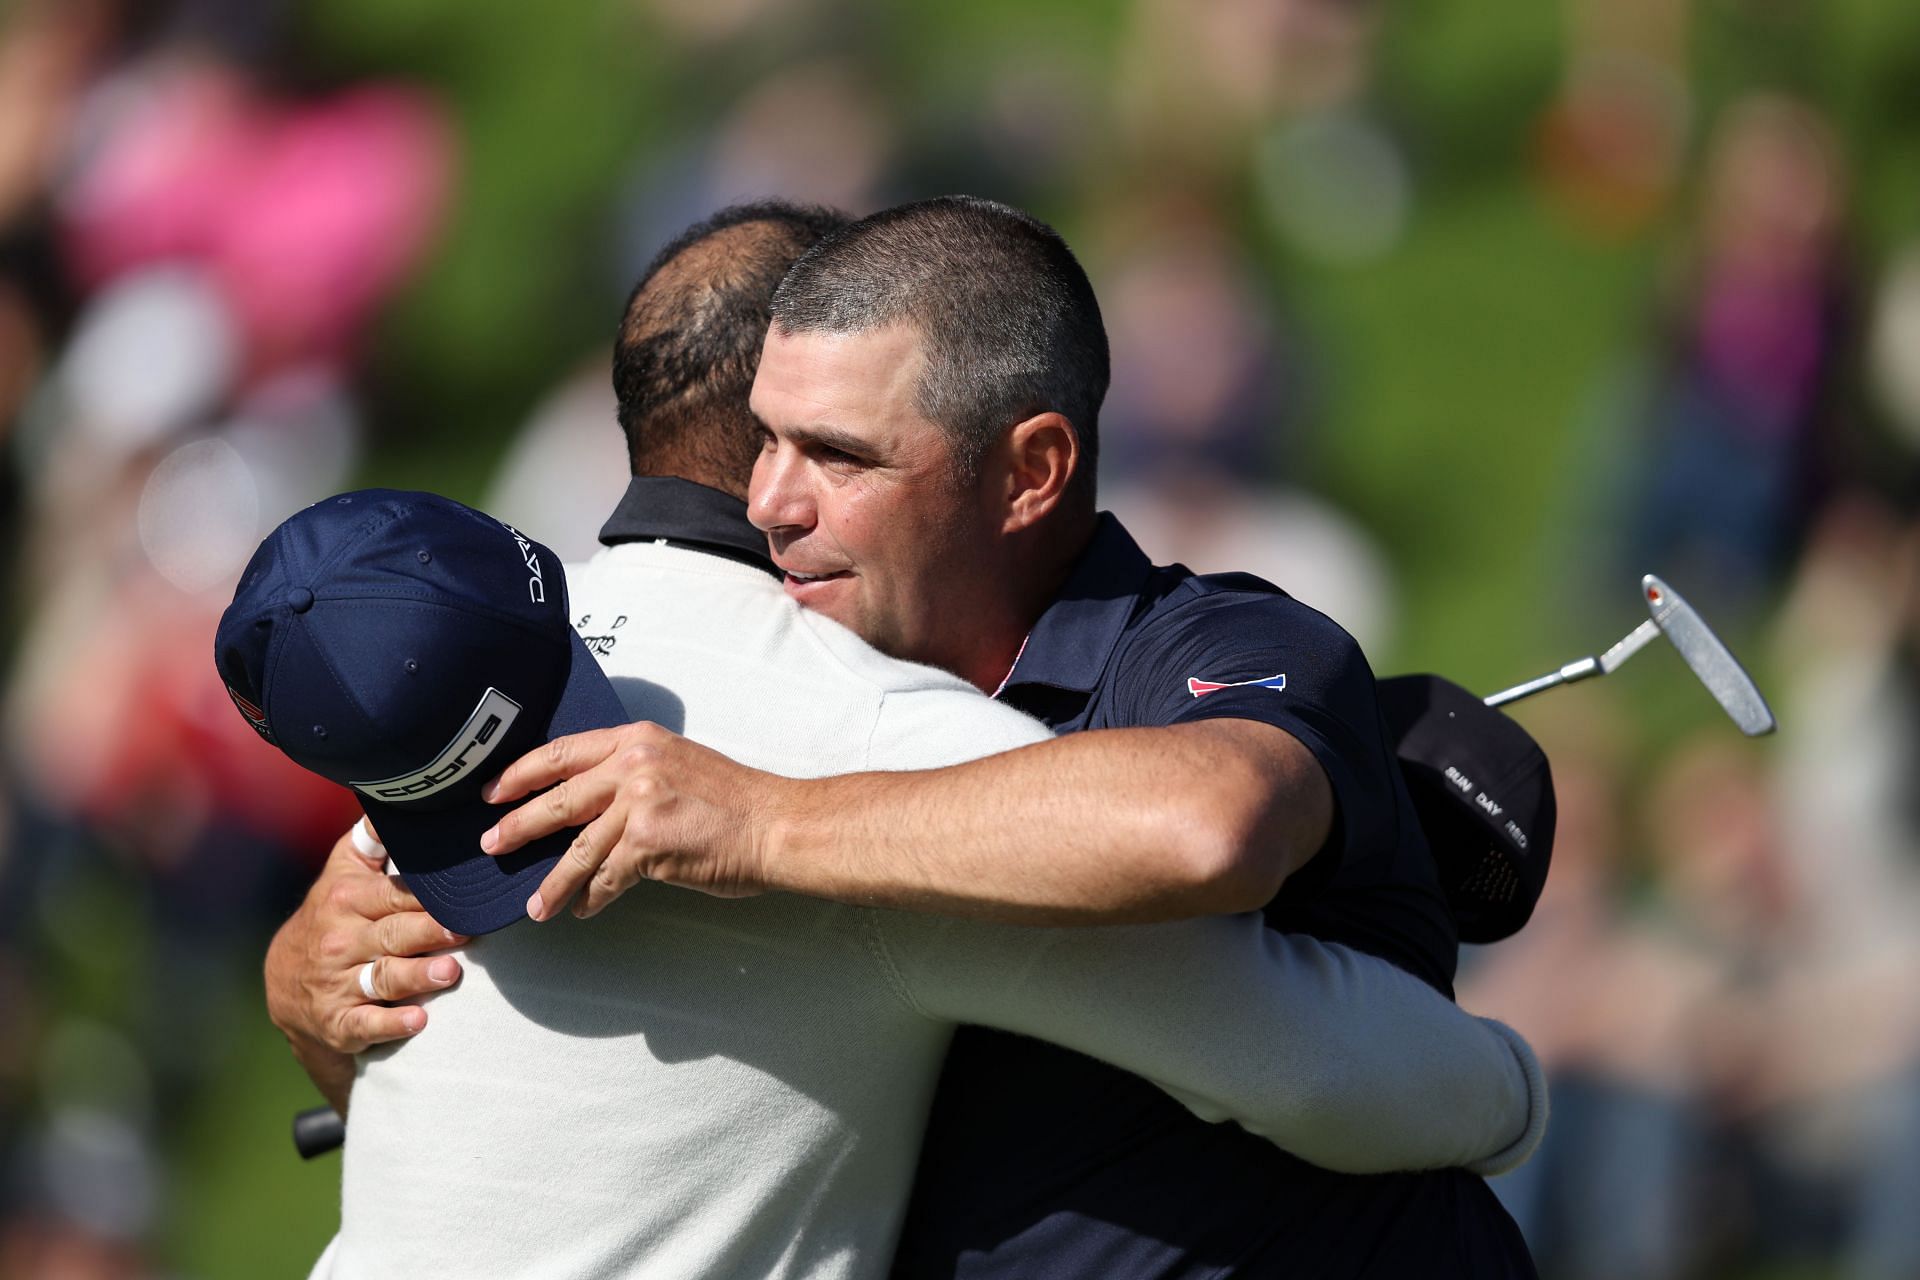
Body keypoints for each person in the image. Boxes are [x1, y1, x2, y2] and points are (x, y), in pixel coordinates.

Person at [261, 201, 1544, 1280]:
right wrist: (305, 975)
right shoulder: (718, 724)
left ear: (1030, 468)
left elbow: (1210, 828)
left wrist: (760, 821)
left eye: (834, 450)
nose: (774, 498)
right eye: (768, 441)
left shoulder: (673, 737)